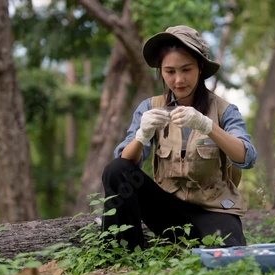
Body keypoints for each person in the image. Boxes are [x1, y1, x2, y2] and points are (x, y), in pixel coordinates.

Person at [101, 25, 257, 250]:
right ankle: (125, 252)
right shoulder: (149, 107)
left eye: (186, 69)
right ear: (161, 72)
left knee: (230, 256)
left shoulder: (225, 110)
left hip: (213, 210)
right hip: (167, 210)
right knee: (115, 169)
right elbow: (126, 162)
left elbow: (247, 157)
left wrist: (208, 126)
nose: (178, 79)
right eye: (170, 72)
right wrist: (141, 135)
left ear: (200, 68)